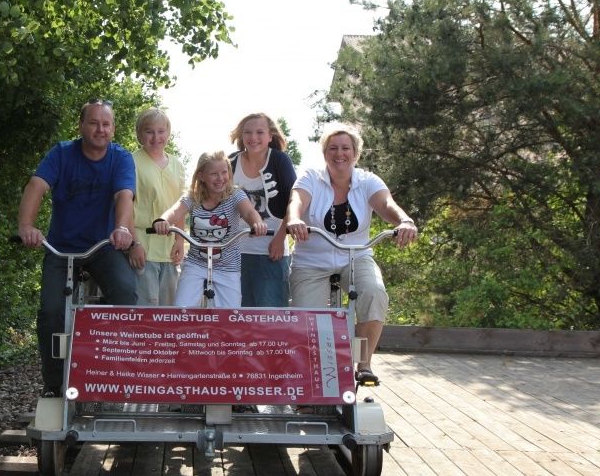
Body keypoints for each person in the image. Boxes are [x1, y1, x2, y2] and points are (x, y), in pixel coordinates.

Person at [17, 99, 138, 396]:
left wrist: (122, 228)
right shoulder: (62, 154)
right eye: (94, 123)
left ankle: (111, 365)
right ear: (81, 126)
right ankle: (54, 384)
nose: (100, 129)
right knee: (51, 312)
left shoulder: (121, 158)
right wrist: (26, 227)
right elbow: (36, 186)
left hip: (102, 246)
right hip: (61, 247)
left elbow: (124, 196)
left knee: (126, 293)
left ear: (113, 128)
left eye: (106, 124)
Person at [285, 123, 418, 384]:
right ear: (325, 153)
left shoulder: (368, 181)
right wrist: (294, 219)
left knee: (374, 293)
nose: (339, 154)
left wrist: (405, 221)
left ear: (355, 153)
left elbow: (386, 204)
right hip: (312, 259)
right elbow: (296, 201)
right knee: (305, 315)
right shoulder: (311, 177)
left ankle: (363, 362)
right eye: (333, 148)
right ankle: (306, 376)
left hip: (355, 256)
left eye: (346, 148)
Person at [153, 151, 268, 308]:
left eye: (224, 172)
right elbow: (175, 211)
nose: (220, 178)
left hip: (228, 266)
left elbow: (248, 211)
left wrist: (257, 223)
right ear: (201, 176)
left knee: (230, 314)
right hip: (196, 263)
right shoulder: (193, 197)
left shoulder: (235, 195)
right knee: (182, 307)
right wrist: (163, 220)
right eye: (214, 174)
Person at [229, 113, 297, 307]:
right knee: (236, 315)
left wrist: (280, 237)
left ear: (270, 136)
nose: (253, 138)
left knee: (270, 317)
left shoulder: (280, 161)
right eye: (247, 133)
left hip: (270, 251)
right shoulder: (230, 162)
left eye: (260, 132)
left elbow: (294, 201)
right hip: (234, 253)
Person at [130, 108, 186, 306]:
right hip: (143, 248)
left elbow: (181, 205)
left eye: (161, 131)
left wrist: (180, 240)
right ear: (139, 134)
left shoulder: (177, 165)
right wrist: (134, 244)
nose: (156, 137)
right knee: (147, 309)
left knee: (168, 310)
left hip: (169, 249)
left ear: (168, 133)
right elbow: (125, 206)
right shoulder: (131, 162)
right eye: (149, 131)